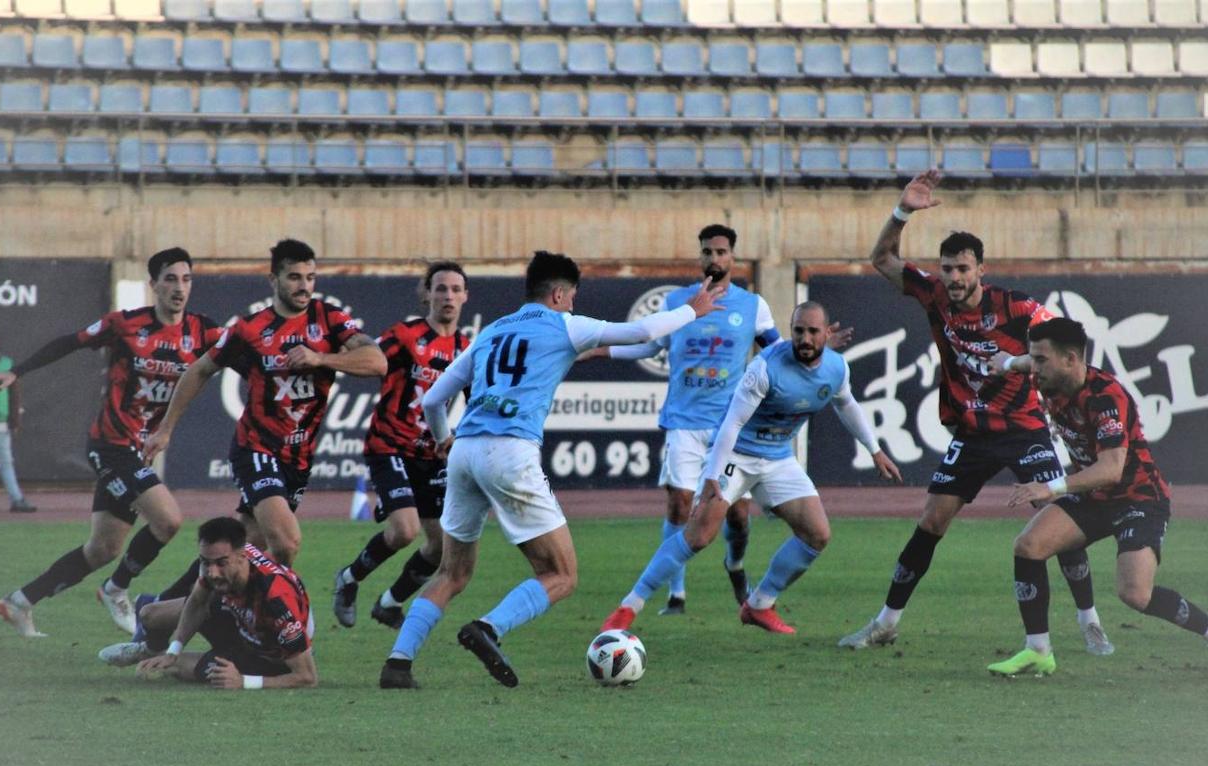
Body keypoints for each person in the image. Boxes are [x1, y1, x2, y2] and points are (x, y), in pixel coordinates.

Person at [378, 251, 723, 690]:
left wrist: (444, 439)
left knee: (452, 572)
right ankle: (489, 627)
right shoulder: (563, 323)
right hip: (511, 452)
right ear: (560, 294)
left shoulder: (489, 333)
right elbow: (642, 329)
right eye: (572, 298)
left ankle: (397, 663)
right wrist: (691, 310)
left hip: (465, 450)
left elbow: (432, 401)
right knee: (561, 574)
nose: (573, 305)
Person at [838, 170, 1112, 655]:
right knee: (931, 521)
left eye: (964, 269)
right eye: (948, 268)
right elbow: (881, 258)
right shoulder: (934, 296)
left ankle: (1090, 620)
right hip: (973, 430)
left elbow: (1070, 346)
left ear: (981, 270)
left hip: (1025, 428)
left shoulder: (1018, 308)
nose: (955, 278)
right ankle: (885, 623)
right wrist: (902, 211)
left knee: (1058, 517)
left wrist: (1014, 362)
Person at [600, 302, 901, 635]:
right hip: (735, 456)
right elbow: (732, 423)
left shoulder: (837, 368)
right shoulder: (765, 367)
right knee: (699, 535)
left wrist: (874, 450)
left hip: (777, 458)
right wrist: (713, 474)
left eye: (813, 331)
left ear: (827, 334)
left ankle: (759, 605)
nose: (804, 338)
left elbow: (846, 404)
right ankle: (628, 607)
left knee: (817, 535)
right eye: (798, 330)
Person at [0, 248, 222, 638]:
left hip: (139, 451)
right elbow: (69, 342)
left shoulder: (204, 332)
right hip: (111, 443)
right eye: (170, 279)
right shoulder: (126, 325)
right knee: (168, 520)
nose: (179, 288)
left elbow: (247, 351)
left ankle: (19, 602)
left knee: (103, 550)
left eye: (186, 279)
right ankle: (116, 589)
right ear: (153, 285)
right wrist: (17, 372)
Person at [988, 319, 1208, 677]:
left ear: (1070, 359)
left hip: (1139, 498)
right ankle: (1038, 650)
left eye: (1041, 360)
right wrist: (1005, 363)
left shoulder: (1106, 397)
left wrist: (1050, 488)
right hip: (1095, 498)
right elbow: (1021, 363)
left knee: (1135, 594)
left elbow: (1111, 469)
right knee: (1029, 546)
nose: (1033, 368)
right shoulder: (1047, 375)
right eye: (1032, 359)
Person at [144, 239, 386, 568]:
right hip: (256, 449)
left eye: (311, 278)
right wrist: (165, 430)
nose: (304, 287)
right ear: (273, 280)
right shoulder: (250, 329)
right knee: (286, 541)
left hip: (297, 459)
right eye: (295, 277)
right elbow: (198, 371)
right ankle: (283, 615)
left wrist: (321, 358)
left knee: (239, 548)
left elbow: (377, 362)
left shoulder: (329, 320)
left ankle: (162, 608)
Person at [584, 225, 780, 615]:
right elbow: (650, 345)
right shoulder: (677, 301)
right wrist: (600, 351)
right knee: (679, 505)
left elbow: (777, 353)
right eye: (708, 251)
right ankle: (676, 593)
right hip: (684, 420)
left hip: (730, 425)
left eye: (721, 251)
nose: (715, 259)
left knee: (737, 514)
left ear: (732, 258)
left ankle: (735, 564)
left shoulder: (752, 305)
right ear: (700, 257)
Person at [333, 261, 470, 630]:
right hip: (389, 446)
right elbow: (373, 362)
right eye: (440, 288)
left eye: (456, 289)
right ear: (426, 294)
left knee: (442, 547)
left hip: (432, 455)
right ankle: (348, 579)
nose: (448, 296)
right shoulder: (405, 335)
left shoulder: (467, 348)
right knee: (404, 531)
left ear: (465, 297)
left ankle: (389, 603)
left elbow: (479, 401)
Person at [99, 516, 317, 690]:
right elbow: (197, 603)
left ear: (242, 556)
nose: (212, 572)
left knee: (175, 669)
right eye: (206, 562)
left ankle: (167, 660)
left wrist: (244, 681)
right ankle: (150, 650)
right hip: (238, 619)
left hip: (268, 655)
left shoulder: (275, 601)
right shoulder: (217, 566)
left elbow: (307, 677)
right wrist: (174, 649)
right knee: (149, 614)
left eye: (221, 563)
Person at [0, 328, 36, 513]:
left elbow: (15, 394)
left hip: (1, 420)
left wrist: (15, 420)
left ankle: (17, 499)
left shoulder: (7, 364)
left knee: (6, 461)